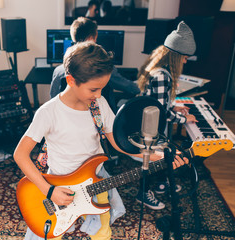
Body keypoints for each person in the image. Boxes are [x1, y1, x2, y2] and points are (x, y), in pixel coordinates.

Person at [14, 41, 188, 239]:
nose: (98, 95)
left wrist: (156, 155)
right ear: (71, 81)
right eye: (93, 90)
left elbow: (118, 143)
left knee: (102, 232)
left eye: (102, 89)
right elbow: (20, 154)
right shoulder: (49, 112)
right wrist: (48, 190)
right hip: (58, 183)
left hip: (96, 179)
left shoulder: (99, 105)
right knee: (48, 233)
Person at [135, 21, 198, 210]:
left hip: (148, 124)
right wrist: (184, 119)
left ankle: (161, 184)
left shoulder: (160, 70)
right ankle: (143, 192)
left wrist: (175, 108)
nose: (185, 62)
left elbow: (159, 104)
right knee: (166, 151)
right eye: (184, 58)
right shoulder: (162, 76)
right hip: (147, 130)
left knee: (168, 147)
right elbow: (161, 115)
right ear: (175, 56)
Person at [50, 17, 140, 110]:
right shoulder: (102, 67)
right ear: (91, 38)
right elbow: (126, 86)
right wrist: (141, 85)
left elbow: (54, 97)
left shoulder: (58, 71)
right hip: (98, 113)